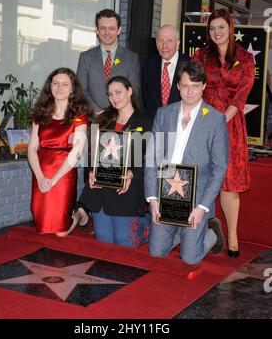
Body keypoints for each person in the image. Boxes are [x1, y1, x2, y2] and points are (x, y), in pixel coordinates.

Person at [145, 62, 229, 265]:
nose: (190, 91)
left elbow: (220, 168)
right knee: (156, 254)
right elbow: (151, 158)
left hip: (196, 198)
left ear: (203, 86)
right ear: (178, 87)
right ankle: (180, 235)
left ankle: (211, 235)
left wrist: (202, 207)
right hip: (165, 193)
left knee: (189, 259)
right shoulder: (163, 114)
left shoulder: (216, 119)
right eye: (185, 85)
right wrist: (153, 199)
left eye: (195, 85)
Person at [192, 9, 255, 257]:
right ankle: (201, 232)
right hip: (203, 122)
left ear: (230, 28)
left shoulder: (245, 58)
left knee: (229, 184)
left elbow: (241, 95)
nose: (216, 32)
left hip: (231, 126)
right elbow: (193, 87)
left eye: (221, 27)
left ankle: (233, 239)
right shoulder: (200, 56)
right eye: (212, 28)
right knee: (203, 179)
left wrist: (220, 122)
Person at [77, 76, 151, 248]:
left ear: (130, 91)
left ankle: (149, 224)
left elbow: (149, 158)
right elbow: (90, 153)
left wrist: (132, 173)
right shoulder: (104, 120)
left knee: (124, 242)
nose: (114, 98)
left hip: (126, 188)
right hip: (100, 189)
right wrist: (90, 173)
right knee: (105, 243)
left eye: (118, 92)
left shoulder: (144, 122)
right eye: (110, 94)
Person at [27, 67, 92, 236]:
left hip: (63, 173)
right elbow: (32, 148)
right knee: (41, 229)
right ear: (50, 86)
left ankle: (79, 214)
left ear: (72, 88)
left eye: (65, 84)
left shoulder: (79, 116)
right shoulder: (40, 114)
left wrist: (54, 179)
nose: (59, 87)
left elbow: (77, 152)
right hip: (41, 172)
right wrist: (41, 177)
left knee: (61, 232)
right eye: (55, 83)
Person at [77, 9, 141, 116]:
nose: (107, 33)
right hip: (93, 118)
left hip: (121, 118)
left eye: (111, 28)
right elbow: (80, 89)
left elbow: (133, 90)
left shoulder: (131, 58)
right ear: (97, 30)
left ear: (119, 30)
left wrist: (116, 112)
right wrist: (97, 110)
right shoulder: (86, 57)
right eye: (103, 28)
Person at [142, 25, 190, 121]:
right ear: (156, 44)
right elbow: (145, 98)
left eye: (169, 41)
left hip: (181, 125)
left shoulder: (189, 64)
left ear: (178, 43)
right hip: (155, 125)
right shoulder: (149, 65)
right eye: (161, 41)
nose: (164, 46)